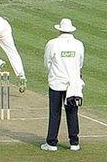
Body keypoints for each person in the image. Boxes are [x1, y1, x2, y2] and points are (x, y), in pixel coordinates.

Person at [41, 18, 84, 152]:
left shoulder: (52, 43)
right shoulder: (78, 44)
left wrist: (54, 73)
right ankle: (74, 142)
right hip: (73, 84)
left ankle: (52, 143)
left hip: (56, 82)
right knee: (72, 112)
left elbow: (47, 62)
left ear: (59, 29)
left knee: (55, 113)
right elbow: (80, 63)